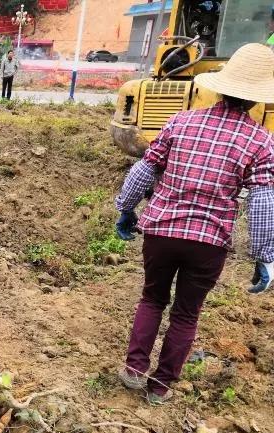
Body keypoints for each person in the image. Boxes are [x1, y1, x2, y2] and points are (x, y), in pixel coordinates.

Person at [115, 43, 274, 404]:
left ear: (221, 86)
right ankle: (160, 387)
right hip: (209, 242)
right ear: (257, 100)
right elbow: (264, 201)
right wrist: (264, 254)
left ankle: (135, 370)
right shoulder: (261, 141)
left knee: (152, 297)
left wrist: (126, 207)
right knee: (187, 313)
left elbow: (146, 168)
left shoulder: (180, 121)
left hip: (161, 232)